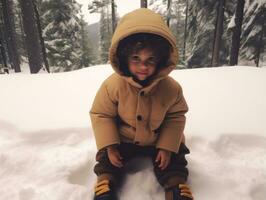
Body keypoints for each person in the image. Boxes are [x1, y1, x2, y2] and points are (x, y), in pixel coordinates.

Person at [90, 8, 193, 200]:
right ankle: (105, 183)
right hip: (124, 140)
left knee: (175, 156)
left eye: (150, 59)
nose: (143, 66)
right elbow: (101, 115)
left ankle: (176, 186)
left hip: (158, 139)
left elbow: (176, 116)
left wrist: (166, 146)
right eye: (136, 58)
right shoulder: (113, 86)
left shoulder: (171, 88)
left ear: (161, 60)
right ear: (124, 58)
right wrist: (111, 146)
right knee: (106, 156)